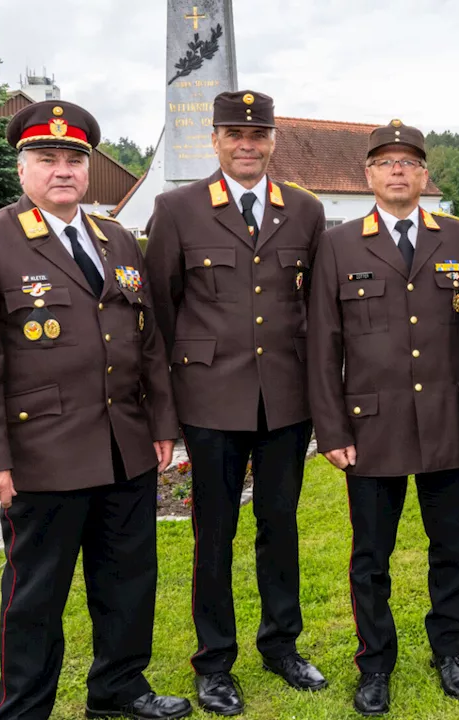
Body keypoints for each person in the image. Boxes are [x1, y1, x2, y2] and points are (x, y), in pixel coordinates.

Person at [0, 100, 191, 720]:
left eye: (74, 158)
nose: (62, 170)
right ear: (21, 168)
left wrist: (162, 425)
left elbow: (147, 341)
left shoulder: (118, 239)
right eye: (46, 157)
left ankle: (118, 690)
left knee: (128, 582)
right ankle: (24, 709)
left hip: (123, 446)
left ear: (88, 170)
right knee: (36, 597)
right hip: (40, 455)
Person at [142, 90, 328, 716]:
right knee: (213, 535)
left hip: (285, 398)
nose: (247, 144)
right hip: (210, 397)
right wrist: (165, 410)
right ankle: (214, 662)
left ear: (274, 140)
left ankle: (281, 645)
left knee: (280, 528)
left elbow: (315, 309)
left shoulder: (302, 209)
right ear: (215, 140)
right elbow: (159, 316)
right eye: (234, 134)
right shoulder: (177, 209)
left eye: (259, 134)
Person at [307, 119, 459, 716]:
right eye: (385, 162)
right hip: (372, 427)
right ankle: (375, 664)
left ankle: (449, 651)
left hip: (448, 419)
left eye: (408, 162)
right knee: (371, 556)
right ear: (367, 175)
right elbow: (322, 346)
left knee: (450, 548)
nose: (397, 171)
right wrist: (332, 431)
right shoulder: (338, 244)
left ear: (423, 174)